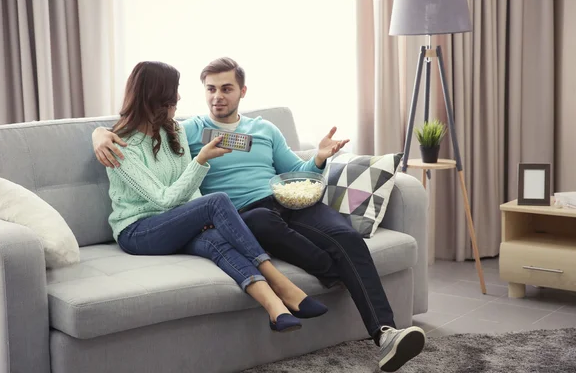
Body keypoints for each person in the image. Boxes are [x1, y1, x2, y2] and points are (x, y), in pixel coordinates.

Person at [93, 57, 425, 372]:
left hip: (290, 199)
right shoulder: (191, 130)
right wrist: (100, 133)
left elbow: (296, 170)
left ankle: (386, 333)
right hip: (247, 214)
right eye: (210, 89)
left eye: (226, 88)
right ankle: (328, 274)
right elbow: (137, 133)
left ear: (242, 92)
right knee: (261, 222)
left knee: (348, 238)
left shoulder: (261, 129)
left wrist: (320, 159)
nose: (217, 97)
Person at [103, 60, 328, 333]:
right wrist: (201, 162)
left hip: (175, 222)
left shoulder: (173, 130)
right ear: (157, 95)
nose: (179, 97)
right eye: (175, 91)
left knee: (215, 241)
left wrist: (201, 218)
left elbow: (190, 190)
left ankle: (276, 309)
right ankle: (282, 284)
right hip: (138, 231)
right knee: (216, 200)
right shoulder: (119, 146)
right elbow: (162, 199)